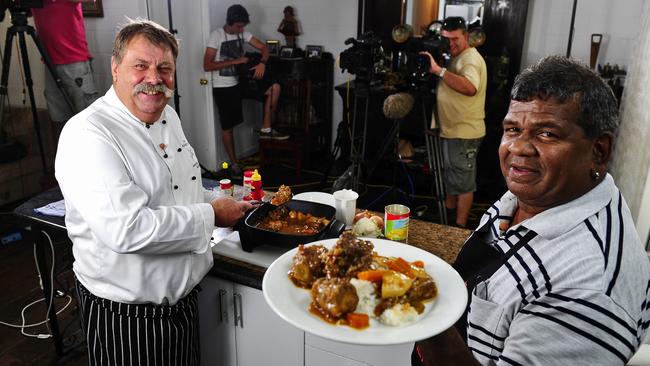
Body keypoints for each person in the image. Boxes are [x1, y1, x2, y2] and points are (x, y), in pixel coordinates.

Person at [412, 56, 650, 365]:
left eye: (547, 133)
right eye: (512, 129)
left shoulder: (588, 289)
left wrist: (415, 308)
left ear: (598, 151)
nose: (518, 148)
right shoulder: (535, 194)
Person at [55, 19, 253, 365]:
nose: (154, 78)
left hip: (183, 304)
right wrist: (212, 214)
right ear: (115, 69)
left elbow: (180, 191)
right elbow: (127, 230)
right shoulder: (89, 134)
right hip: (127, 316)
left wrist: (223, 201)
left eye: (165, 68)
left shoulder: (169, 116)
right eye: (140, 66)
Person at [203, 4, 288, 175]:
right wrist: (235, 61)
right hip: (223, 86)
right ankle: (234, 163)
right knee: (228, 126)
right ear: (230, 22)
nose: (242, 29)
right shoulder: (216, 35)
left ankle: (266, 127)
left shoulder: (243, 33)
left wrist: (262, 63)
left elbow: (264, 48)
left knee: (275, 87)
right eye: (239, 26)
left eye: (243, 26)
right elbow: (207, 64)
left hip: (240, 82)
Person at [420, 16, 487, 228]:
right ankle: (448, 215)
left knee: (464, 182)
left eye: (455, 39)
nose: (451, 43)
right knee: (451, 176)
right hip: (451, 130)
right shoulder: (457, 56)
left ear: (466, 36)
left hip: (464, 132)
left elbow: (470, 88)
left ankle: (459, 228)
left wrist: (439, 71)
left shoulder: (470, 59)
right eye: (446, 39)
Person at [31, 0, 99, 141]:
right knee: (60, 119)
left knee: (88, 119)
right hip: (49, 61)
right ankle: (67, 158)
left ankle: (95, 160)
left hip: (73, 60)